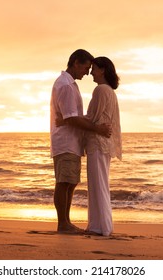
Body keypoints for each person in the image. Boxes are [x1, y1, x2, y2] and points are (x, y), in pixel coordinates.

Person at [50, 49, 111, 233]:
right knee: (64, 182)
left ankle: (65, 223)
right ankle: (63, 224)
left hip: (72, 142)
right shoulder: (66, 86)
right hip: (66, 141)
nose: (87, 73)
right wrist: (98, 129)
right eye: (85, 68)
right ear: (76, 63)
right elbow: (71, 119)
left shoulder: (70, 84)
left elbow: (71, 117)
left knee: (70, 182)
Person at [84, 56, 122, 236]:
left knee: (97, 185)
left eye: (94, 68)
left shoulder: (100, 90)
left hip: (97, 143)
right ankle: (99, 225)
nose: (91, 72)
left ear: (102, 70)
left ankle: (100, 227)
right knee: (100, 184)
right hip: (103, 143)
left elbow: (92, 118)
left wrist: (69, 119)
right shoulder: (110, 92)